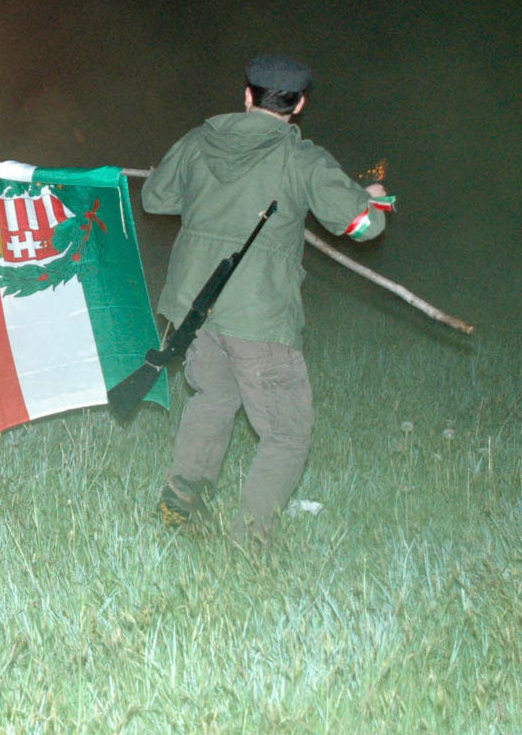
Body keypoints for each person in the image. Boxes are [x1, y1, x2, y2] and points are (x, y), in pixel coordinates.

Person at [141, 55, 392, 546]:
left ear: (248, 96)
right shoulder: (303, 160)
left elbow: (155, 198)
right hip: (257, 317)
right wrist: (376, 198)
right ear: (298, 105)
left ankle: (180, 504)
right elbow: (364, 226)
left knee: (214, 395)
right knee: (287, 433)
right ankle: (251, 541)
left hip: (193, 310)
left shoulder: (196, 143)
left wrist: (189, 184)